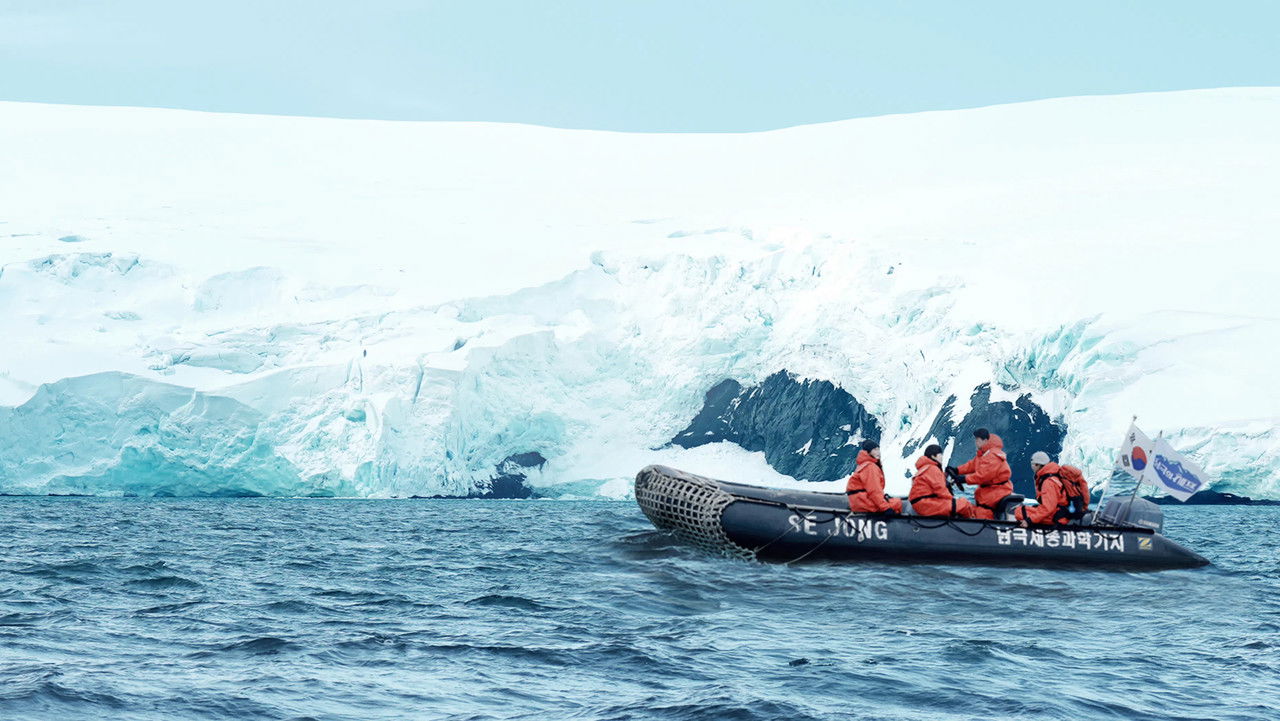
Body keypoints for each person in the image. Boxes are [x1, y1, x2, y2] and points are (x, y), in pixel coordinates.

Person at [947, 428, 1014, 519]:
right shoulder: (983, 454)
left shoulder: (993, 456)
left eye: (977, 440)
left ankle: (984, 529)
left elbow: (983, 476)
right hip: (988, 492)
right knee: (972, 509)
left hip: (995, 493)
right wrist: (956, 470)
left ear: (985, 441)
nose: (975, 442)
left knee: (982, 512)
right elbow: (972, 465)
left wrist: (963, 479)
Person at [909, 444, 977, 518]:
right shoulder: (933, 469)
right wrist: (953, 502)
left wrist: (946, 476)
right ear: (933, 456)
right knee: (964, 504)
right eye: (940, 454)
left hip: (921, 504)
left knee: (958, 504)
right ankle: (973, 525)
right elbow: (940, 489)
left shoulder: (925, 468)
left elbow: (933, 482)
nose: (942, 457)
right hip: (926, 504)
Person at [846, 440, 903, 515]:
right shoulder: (870, 467)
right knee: (897, 503)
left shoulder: (863, 465)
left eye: (878, 449)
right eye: (875, 450)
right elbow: (874, 490)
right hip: (864, 503)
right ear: (868, 452)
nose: (878, 452)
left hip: (857, 502)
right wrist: (885, 508)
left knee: (892, 502)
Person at [1015, 451, 1070, 526]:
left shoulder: (1048, 482)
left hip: (1058, 517)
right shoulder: (1055, 476)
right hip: (1062, 513)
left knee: (1019, 512)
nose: (1032, 467)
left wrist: (1029, 520)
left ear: (1037, 464)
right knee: (1027, 509)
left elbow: (1048, 508)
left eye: (1033, 464)